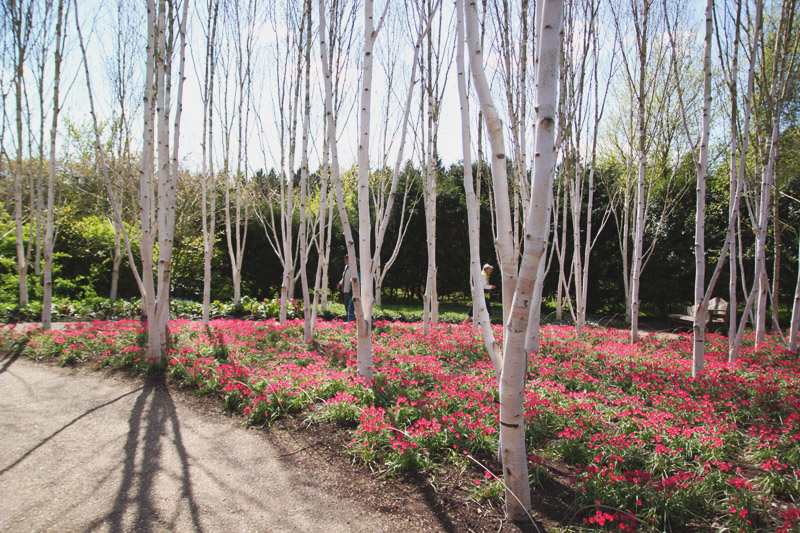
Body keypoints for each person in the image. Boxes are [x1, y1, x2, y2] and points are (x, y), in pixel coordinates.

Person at [336, 254, 356, 322]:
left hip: (350, 289)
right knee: (346, 304)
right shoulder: (346, 267)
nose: (345, 261)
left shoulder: (353, 268)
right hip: (345, 289)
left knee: (350, 305)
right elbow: (344, 277)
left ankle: (351, 319)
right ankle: (349, 318)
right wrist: (340, 283)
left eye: (346, 259)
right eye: (344, 259)